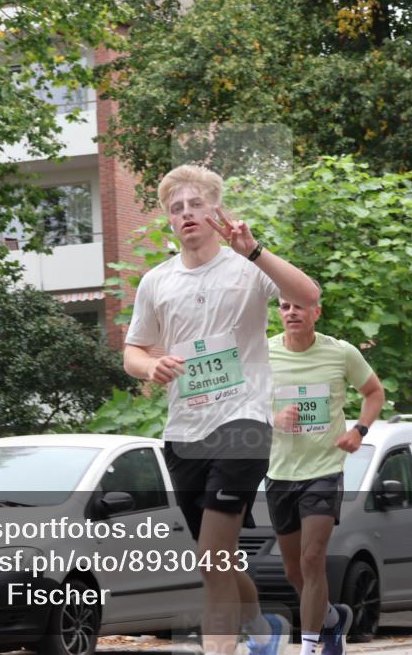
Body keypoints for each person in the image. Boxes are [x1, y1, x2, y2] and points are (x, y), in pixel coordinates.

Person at [123, 164, 319, 655]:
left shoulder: (247, 266)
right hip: (185, 433)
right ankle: (262, 629)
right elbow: (133, 352)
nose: (186, 214)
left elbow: (308, 295)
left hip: (243, 423)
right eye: (176, 208)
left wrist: (253, 250)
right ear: (169, 220)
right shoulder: (157, 282)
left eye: (195, 204)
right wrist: (151, 368)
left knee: (212, 560)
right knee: (221, 558)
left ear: (215, 209)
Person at [267, 293, 385, 655]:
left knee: (312, 558)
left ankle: (309, 646)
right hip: (279, 472)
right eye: (284, 306)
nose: (291, 313)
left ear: (316, 312)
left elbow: (373, 392)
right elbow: (240, 402)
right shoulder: (263, 353)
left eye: (299, 306)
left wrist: (359, 431)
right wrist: (273, 419)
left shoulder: (341, 352)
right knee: (293, 570)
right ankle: (333, 620)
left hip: (324, 470)